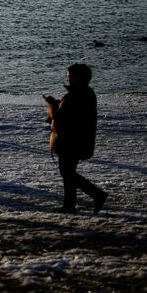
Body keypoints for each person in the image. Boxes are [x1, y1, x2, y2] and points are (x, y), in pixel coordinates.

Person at [44, 63, 108, 214]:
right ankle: (69, 205)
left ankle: (97, 195)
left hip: (71, 139)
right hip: (78, 138)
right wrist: (57, 105)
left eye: (69, 75)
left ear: (76, 77)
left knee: (67, 172)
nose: (67, 77)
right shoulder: (85, 92)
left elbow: (63, 116)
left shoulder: (77, 94)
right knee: (68, 172)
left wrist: (53, 105)